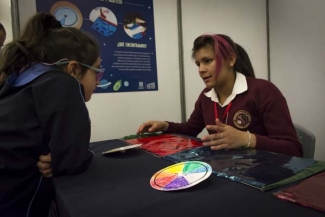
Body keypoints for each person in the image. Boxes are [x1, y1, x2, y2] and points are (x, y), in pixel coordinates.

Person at [0, 13, 103, 216]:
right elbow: (74, 159)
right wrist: (62, 158)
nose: (98, 81)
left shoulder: (18, 80)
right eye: (96, 71)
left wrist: (59, 157)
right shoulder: (65, 83)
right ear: (73, 70)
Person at [137, 34, 302, 157]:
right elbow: (190, 129)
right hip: (226, 171)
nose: (201, 69)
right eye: (198, 63)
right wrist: (165, 125)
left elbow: (294, 149)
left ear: (230, 60)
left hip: (263, 177)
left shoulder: (263, 91)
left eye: (207, 61)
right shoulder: (206, 96)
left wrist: (247, 139)